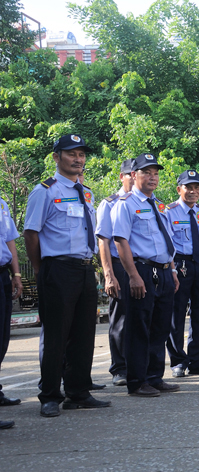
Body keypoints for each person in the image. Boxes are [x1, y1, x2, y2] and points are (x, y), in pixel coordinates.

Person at [23, 134, 111, 417]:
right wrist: (40, 268)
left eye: (81, 154)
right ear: (56, 157)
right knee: (56, 335)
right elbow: (31, 233)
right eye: (72, 153)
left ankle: (78, 392)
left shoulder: (86, 192)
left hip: (84, 269)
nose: (78, 159)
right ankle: (50, 395)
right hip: (57, 269)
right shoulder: (45, 191)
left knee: (84, 334)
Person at [112, 153, 181, 397]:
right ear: (133, 175)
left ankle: (154, 377)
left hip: (164, 270)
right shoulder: (125, 204)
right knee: (139, 327)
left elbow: (165, 240)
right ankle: (137, 381)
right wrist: (133, 275)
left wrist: (172, 270)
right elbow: (120, 241)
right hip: (141, 269)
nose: (153, 177)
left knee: (160, 327)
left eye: (155, 173)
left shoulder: (159, 205)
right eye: (146, 173)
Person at [165, 170, 199, 376]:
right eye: (189, 187)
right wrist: (174, 267)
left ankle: (197, 361)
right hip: (180, 264)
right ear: (179, 189)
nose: (193, 191)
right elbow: (167, 243)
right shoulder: (169, 212)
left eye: (197, 187)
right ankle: (178, 361)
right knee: (176, 313)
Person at [95, 158, 134, 386]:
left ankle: (140, 367)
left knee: (143, 317)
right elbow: (103, 241)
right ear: (122, 177)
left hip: (142, 265)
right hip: (119, 266)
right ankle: (120, 368)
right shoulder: (109, 204)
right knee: (120, 318)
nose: (134, 178)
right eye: (130, 174)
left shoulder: (148, 203)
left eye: (136, 174)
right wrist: (109, 275)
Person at [0, 194, 23, 429]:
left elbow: (9, 241)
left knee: (2, 339)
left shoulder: (1, 203)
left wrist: (16, 274)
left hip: (2, 275)